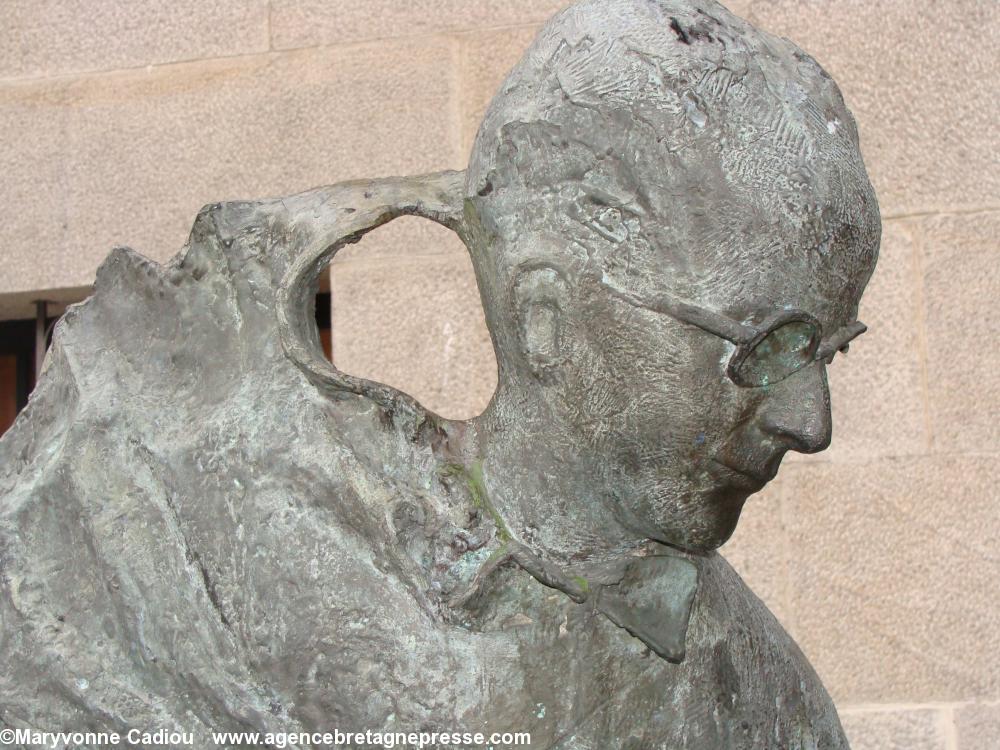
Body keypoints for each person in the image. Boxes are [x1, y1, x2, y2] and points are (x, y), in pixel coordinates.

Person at [0, 0, 878, 747]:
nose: (812, 422)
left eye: (831, 350)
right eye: (769, 347)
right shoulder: (200, 543)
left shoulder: (766, 705)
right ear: (548, 316)